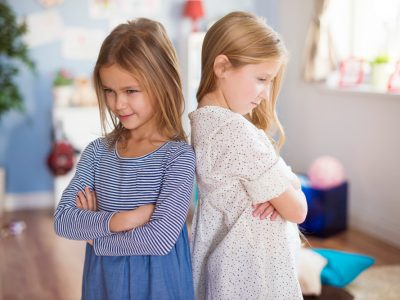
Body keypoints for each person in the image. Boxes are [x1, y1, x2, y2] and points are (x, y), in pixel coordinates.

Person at [54, 18, 195, 300]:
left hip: (160, 287)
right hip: (104, 285)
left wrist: (96, 236)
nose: (118, 104)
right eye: (109, 91)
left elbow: (160, 238)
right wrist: (123, 220)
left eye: (131, 91)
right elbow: (63, 220)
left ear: (163, 83)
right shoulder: (96, 153)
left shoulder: (178, 157)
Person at [189, 11, 308, 299]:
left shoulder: (202, 122)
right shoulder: (236, 131)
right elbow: (298, 210)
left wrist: (281, 186)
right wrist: (291, 180)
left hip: (229, 265)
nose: (266, 94)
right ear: (222, 66)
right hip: (254, 271)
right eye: (261, 79)